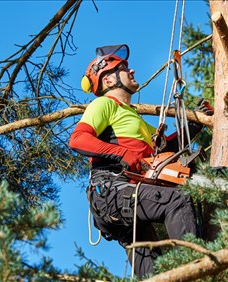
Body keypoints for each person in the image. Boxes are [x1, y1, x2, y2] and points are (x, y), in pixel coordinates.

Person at [69, 44, 213, 278]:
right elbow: (77, 139)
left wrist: (195, 124)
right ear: (107, 81)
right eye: (124, 68)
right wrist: (122, 154)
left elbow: (167, 149)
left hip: (126, 198)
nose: (132, 71)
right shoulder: (105, 104)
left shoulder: (135, 120)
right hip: (112, 190)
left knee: (153, 273)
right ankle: (194, 269)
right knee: (177, 201)